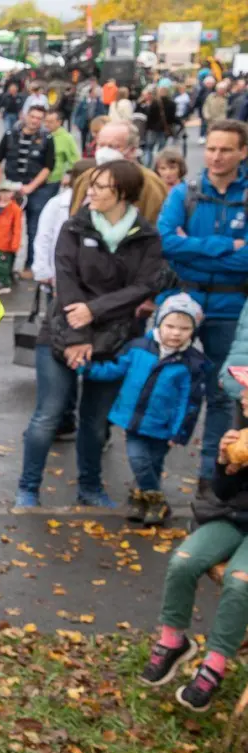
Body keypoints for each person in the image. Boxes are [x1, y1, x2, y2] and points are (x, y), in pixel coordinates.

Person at [16, 160, 170, 509]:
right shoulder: (74, 226)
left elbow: (144, 285)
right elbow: (66, 283)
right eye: (93, 184)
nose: (92, 191)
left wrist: (95, 310)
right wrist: (78, 336)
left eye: (102, 186)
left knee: (96, 422)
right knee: (48, 415)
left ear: (125, 194)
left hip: (116, 338)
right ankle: (28, 488)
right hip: (62, 333)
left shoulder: (145, 236)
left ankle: (90, 487)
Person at [141, 366, 248, 712]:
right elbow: (224, 493)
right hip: (234, 519)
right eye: (243, 391)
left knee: (239, 581)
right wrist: (224, 463)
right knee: (183, 562)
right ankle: (173, 641)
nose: (242, 398)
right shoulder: (242, 431)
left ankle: (215, 663)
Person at [165, 120, 248, 486]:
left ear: (243, 152)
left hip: (230, 308)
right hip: (183, 301)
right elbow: (167, 242)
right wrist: (224, 248)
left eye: (226, 149)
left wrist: (192, 249)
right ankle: (148, 479)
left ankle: (209, 477)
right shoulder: (185, 192)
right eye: (211, 148)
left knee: (221, 394)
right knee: (163, 383)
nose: (216, 156)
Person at [80, 293, 208, 524]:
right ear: (159, 322)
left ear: (193, 331)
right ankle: (157, 501)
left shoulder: (192, 363)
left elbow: (189, 401)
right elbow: (114, 370)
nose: (176, 333)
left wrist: (180, 431)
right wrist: (86, 369)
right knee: (138, 459)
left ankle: (141, 504)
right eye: (170, 326)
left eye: (184, 328)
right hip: (135, 420)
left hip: (163, 426)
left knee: (153, 464)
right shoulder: (138, 348)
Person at [67, 120, 169, 222]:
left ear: (132, 150)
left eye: (113, 146)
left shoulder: (150, 184)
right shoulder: (86, 178)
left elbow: (156, 223)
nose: (104, 151)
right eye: (101, 145)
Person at [0, 106, 54, 274]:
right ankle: (4, 267)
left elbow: (48, 167)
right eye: (32, 116)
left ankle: (30, 265)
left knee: (33, 228)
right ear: (26, 116)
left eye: (39, 118)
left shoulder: (47, 139)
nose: (34, 121)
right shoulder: (10, 135)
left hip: (35, 189)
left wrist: (31, 187)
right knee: (5, 229)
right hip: (10, 188)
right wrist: (1, 185)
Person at [31, 160, 97, 299]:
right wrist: (43, 271)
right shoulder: (57, 204)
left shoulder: (99, 205)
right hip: (58, 276)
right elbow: (44, 237)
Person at [44, 109, 79, 185]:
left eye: (50, 122)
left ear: (59, 122)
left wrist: (68, 175)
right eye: (45, 121)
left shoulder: (66, 138)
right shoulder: (41, 134)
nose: (46, 124)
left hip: (53, 181)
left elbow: (74, 160)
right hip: (35, 179)